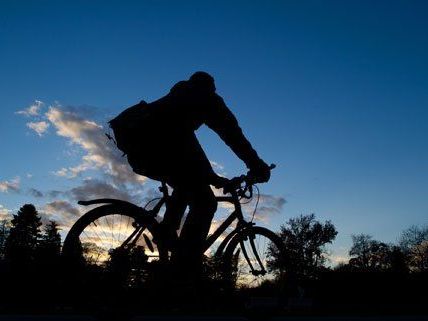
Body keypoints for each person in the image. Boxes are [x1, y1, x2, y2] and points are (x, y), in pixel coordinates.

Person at [124, 71, 271, 278]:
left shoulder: (179, 101)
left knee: (187, 183)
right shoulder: (201, 102)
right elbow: (232, 135)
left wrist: (213, 177)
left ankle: (170, 243)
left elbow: (191, 153)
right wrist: (257, 166)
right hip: (158, 149)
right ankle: (183, 269)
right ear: (209, 90)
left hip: (144, 151)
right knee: (205, 201)